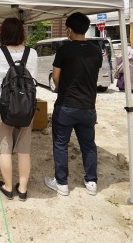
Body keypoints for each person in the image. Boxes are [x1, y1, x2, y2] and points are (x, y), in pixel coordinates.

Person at [0, 17, 38, 201]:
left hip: (3, 106)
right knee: (24, 149)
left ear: (3, 33)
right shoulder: (32, 53)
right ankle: (23, 189)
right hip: (27, 106)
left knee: (5, 149)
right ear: (22, 33)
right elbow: (33, 79)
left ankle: (8, 186)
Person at [44, 12, 101, 196]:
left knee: (61, 144)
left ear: (69, 29)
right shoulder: (96, 50)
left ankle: (62, 184)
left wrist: (64, 89)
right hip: (88, 106)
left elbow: (56, 76)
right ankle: (91, 182)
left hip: (66, 105)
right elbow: (93, 74)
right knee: (89, 144)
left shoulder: (64, 50)